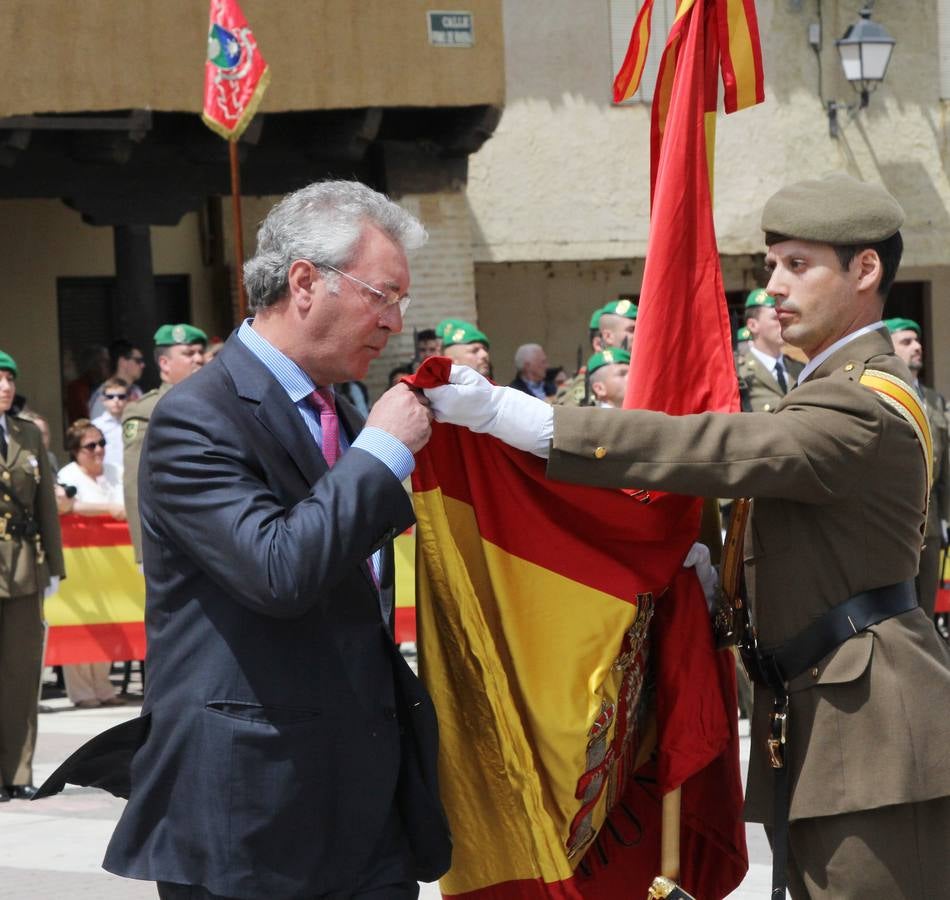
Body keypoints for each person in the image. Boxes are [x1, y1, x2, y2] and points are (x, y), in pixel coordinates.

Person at [425, 173, 950, 898]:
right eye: (771, 266)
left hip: (871, 734)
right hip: (830, 712)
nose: (774, 287)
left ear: (865, 270)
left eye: (799, 265)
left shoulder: (861, 402)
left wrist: (528, 422)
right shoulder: (841, 389)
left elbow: (721, 447)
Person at [38, 180, 451, 898]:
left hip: (363, 809)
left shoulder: (342, 412)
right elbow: (279, 569)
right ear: (304, 283)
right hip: (251, 820)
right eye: (383, 295)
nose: (396, 320)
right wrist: (381, 453)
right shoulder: (197, 417)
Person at [0, 351, 65, 802]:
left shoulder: (26, 434)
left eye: (9, 378)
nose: (5, 386)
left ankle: (18, 770)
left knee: (22, 675)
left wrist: (55, 566)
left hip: (23, 565)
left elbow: (45, 507)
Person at [122, 323, 206, 565]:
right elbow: (134, 484)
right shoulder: (146, 411)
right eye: (188, 354)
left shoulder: (222, 403)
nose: (198, 359)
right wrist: (143, 553)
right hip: (174, 542)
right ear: (165, 364)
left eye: (201, 352)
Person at [57, 419, 126, 709]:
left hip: (111, 562)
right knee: (81, 624)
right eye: (90, 446)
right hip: (79, 560)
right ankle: (82, 691)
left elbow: (126, 503)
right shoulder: (67, 474)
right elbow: (66, 506)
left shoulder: (115, 471)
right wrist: (106, 509)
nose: (99, 450)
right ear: (76, 451)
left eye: (102, 443)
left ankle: (103, 685)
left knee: (107, 619)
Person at [886, 317, 949, 620]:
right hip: (893, 518)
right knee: (896, 607)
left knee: (926, 603)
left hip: (932, 519)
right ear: (889, 348)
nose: (917, 347)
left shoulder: (934, 399)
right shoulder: (880, 394)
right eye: (907, 341)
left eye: (918, 340)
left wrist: (947, 517)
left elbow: (945, 466)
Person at [737, 288, 804, 412]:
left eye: (784, 316)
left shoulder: (801, 369)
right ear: (753, 325)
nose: (783, 322)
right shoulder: (739, 373)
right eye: (775, 317)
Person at [88, 340, 145, 419]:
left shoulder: (137, 391)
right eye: (138, 361)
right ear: (122, 362)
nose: (143, 365)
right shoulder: (103, 395)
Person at [91, 376, 129, 478]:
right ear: (103, 399)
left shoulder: (131, 422)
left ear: (127, 399)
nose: (116, 400)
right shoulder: (95, 426)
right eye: (110, 397)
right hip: (106, 476)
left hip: (128, 476)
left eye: (121, 396)